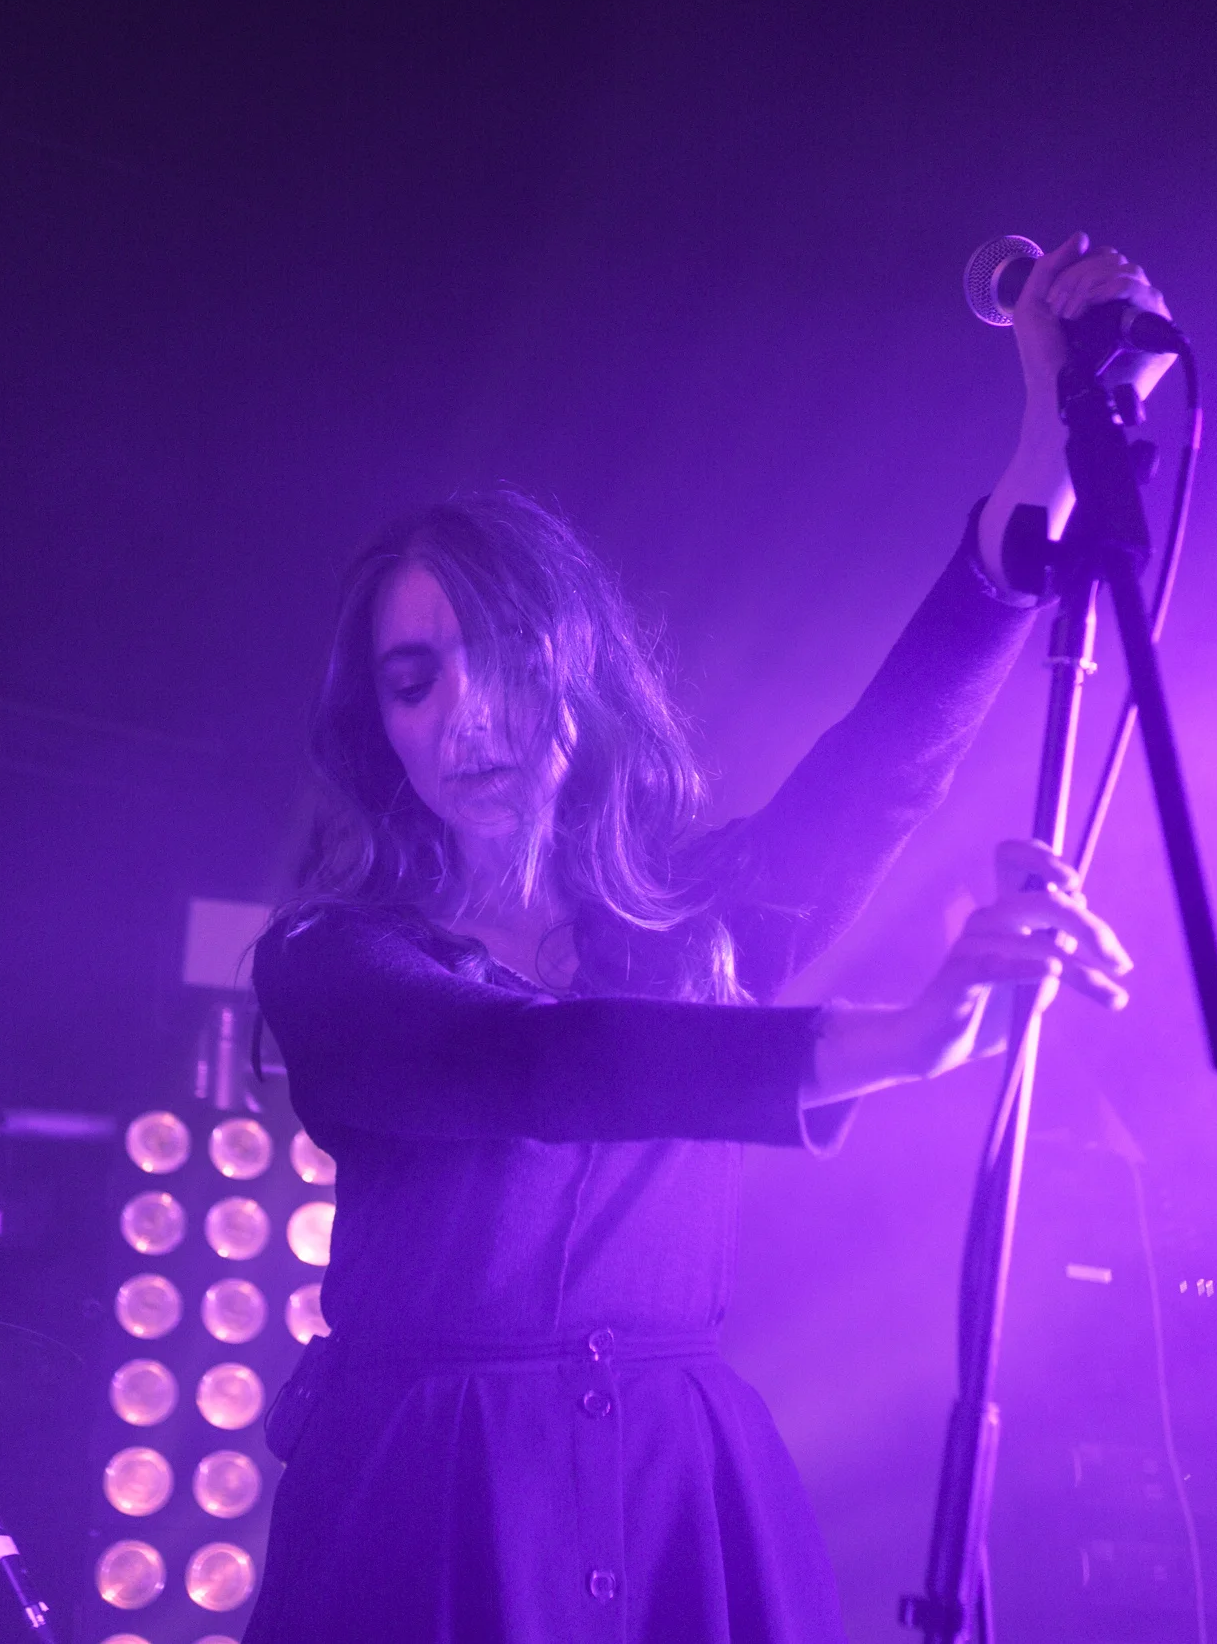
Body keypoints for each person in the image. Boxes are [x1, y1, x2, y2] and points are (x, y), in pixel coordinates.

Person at [248, 235, 1170, 1642]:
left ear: (578, 673)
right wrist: (895, 1039)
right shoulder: (334, 964)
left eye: (500, 654)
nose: (462, 712)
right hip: (426, 1513)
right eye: (414, 679)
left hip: (681, 1496)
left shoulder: (687, 923)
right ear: (380, 724)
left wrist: (1049, 438)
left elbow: (885, 764)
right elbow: (536, 1063)